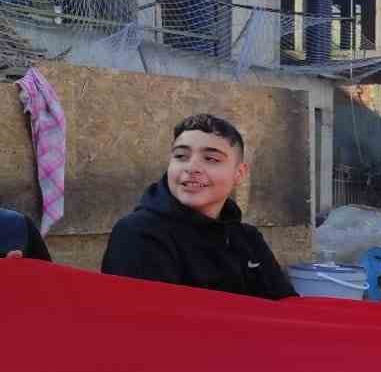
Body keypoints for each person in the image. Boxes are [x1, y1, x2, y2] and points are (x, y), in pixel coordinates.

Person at [102, 113, 294, 299]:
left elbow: (286, 308)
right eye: (181, 156)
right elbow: (145, 323)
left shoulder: (248, 239)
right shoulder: (138, 234)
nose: (191, 167)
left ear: (239, 173)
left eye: (211, 159)